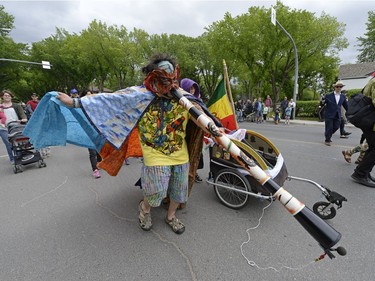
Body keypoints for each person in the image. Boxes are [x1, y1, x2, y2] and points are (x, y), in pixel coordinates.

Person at [51, 53, 222, 234]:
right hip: (154, 153)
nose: (169, 83)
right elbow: (109, 101)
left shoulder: (183, 97)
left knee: (180, 191)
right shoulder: (139, 95)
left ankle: (171, 216)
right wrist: (74, 102)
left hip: (180, 152)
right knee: (156, 192)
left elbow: (199, 117)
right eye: (164, 77)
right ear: (152, 76)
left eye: (172, 78)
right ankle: (145, 209)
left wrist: (216, 129)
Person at [351, 74, 375, 187]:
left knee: (372, 147)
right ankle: (360, 173)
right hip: (371, 121)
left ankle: (363, 172)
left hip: (369, 120)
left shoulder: (372, 80)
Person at [180, 77, 204, 183]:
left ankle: (194, 173)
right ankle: (184, 175)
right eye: (190, 88)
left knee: (197, 153)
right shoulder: (182, 100)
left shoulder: (198, 100)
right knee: (187, 153)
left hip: (197, 132)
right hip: (186, 131)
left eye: (194, 88)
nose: (192, 90)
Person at [0, 90, 28, 163]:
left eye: (9, 95)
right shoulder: (0, 107)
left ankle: (21, 155)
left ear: (11, 96)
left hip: (16, 126)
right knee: (9, 143)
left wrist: (24, 119)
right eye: (5, 95)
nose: (7, 97)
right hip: (3, 128)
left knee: (19, 141)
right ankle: (12, 159)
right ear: (2, 96)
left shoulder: (16, 105)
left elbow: (22, 115)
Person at [80, 90, 102, 179]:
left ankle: (99, 162)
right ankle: (95, 170)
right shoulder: (81, 107)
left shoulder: (96, 106)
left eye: (90, 94)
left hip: (97, 131)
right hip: (88, 132)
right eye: (87, 95)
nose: (90, 96)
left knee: (98, 150)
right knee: (92, 152)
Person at [323, 81, 348, 146]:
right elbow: (323, 103)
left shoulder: (343, 96)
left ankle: (327, 133)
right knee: (329, 127)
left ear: (342, 88)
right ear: (335, 87)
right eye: (337, 87)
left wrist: (350, 112)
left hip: (337, 115)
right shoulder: (328, 96)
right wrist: (322, 100)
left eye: (340, 87)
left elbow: (346, 106)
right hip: (329, 114)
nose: (339, 88)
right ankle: (327, 140)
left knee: (336, 126)